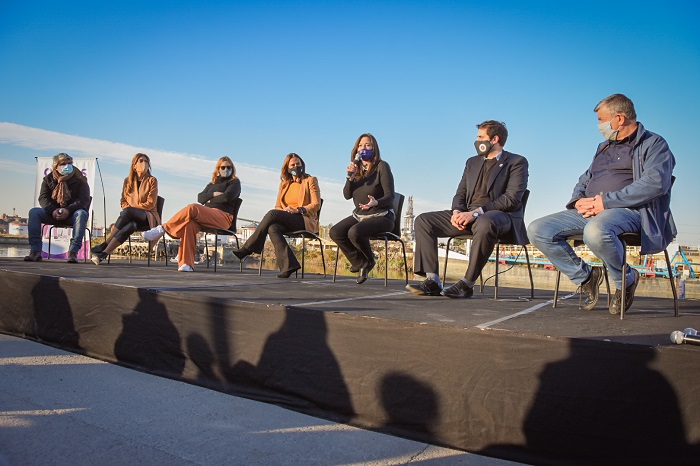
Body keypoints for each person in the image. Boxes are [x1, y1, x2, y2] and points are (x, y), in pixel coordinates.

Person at [527, 94, 676, 315]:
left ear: (619, 118)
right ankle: (586, 276)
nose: (599, 126)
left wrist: (605, 202)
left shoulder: (654, 144)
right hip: (592, 210)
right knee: (537, 229)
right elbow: (586, 178)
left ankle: (625, 280)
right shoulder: (604, 147)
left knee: (595, 231)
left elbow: (655, 184)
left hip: (632, 212)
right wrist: (578, 201)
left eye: (601, 120)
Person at [406, 120, 529, 298]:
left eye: (480, 137)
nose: (476, 141)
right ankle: (432, 280)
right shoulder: (472, 163)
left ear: (494, 139)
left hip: (500, 218)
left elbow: (511, 199)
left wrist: (476, 213)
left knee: (485, 222)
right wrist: (457, 212)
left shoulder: (517, 162)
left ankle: (467, 284)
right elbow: (460, 193)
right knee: (423, 221)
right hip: (469, 215)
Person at [142, 157, 241, 272]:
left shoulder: (234, 182)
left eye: (229, 167)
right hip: (205, 216)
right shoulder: (212, 184)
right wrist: (214, 194)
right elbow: (200, 197)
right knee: (189, 224)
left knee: (192, 208)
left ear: (232, 169)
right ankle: (186, 264)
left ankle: (162, 229)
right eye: (223, 167)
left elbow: (227, 197)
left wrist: (210, 199)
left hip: (223, 217)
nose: (226, 169)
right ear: (218, 169)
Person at [233, 153, 321, 278]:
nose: (296, 166)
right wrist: (284, 210)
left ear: (302, 165)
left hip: (303, 219)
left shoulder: (310, 180)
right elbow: (278, 207)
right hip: (287, 217)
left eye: (298, 164)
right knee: (272, 228)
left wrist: (298, 209)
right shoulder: (284, 184)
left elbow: (316, 204)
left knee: (272, 214)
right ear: (288, 168)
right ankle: (288, 266)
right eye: (293, 165)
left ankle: (248, 248)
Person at [330, 133, 395, 284]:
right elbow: (347, 195)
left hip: (382, 216)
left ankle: (368, 261)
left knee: (354, 232)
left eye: (368, 145)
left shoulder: (382, 166)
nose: (363, 148)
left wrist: (376, 203)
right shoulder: (357, 170)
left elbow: (390, 196)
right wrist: (350, 178)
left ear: (374, 148)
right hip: (360, 215)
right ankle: (361, 262)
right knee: (335, 232)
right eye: (360, 145)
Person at [90, 153, 160, 264]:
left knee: (128, 211)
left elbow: (150, 204)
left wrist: (132, 209)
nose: (144, 163)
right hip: (131, 217)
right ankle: (104, 254)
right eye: (141, 161)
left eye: (146, 161)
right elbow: (123, 201)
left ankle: (105, 243)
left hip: (147, 216)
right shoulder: (128, 181)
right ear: (134, 165)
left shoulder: (152, 180)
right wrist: (130, 209)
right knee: (131, 225)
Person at [24, 153, 91, 263]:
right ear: (56, 166)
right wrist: (53, 210)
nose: (67, 166)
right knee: (34, 212)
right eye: (63, 164)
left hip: (72, 214)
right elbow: (43, 198)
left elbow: (84, 200)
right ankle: (35, 251)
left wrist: (68, 210)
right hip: (53, 214)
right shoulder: (48, 179)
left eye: (69, 163)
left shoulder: (81, 179)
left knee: (81, 213)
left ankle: (73, 252)